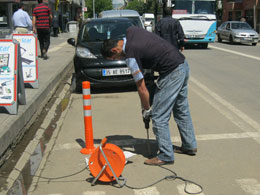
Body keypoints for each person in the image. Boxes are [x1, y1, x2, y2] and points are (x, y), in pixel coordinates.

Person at [101, 26, 197, 166]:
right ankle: (189, 145)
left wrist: (146, 110)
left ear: (114, 50)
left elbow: (142, 88)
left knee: (158, 116)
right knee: (181, 109)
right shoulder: (132, 31)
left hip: (172, 72)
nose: (118, 60)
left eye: (114, 57)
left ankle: (165, 155)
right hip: (182, 64)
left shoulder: (131, 56)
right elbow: (148, 51)